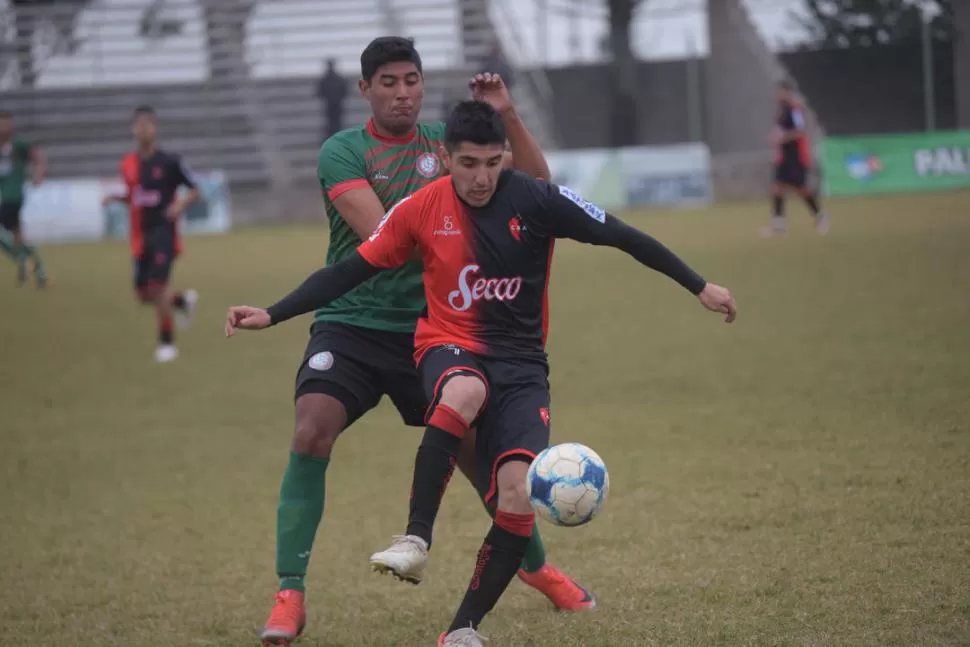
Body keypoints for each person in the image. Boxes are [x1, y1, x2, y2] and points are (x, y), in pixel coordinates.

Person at [225, 100, 738, 646]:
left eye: (492, 163)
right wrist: (274, 312)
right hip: (449, 345)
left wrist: (699, 285)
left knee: (517, 494)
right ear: (446, 157)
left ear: (505, 158)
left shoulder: (537, 199)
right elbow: (349, 270)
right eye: (468, 163)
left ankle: (462, 629)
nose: (481, 177)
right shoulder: (421, 207)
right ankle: (416, 540)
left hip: (521, 365)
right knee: (462, 393)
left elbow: (623, 235)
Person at [249, 35, 590, 647]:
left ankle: (538, 571)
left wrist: (503, 119)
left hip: (437, 331)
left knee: (485, 463)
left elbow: (538, 188)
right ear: (365, 91)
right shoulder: (342, 151)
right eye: (388, 83)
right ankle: (289, 596)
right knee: (311, 428)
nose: (402, 93)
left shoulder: (451, 143)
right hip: (353, 322)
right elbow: (384, 233)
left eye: (411, 80)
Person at [103, 106, 200, 364]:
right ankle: (181, 301)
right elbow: (136, 198)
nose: (144, 129)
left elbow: (194, 189)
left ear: (155, 128)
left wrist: (179, 205)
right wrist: (116, 197)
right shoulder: (129, 164)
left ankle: (167, 343)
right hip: (140, 235)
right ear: (133, 129)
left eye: (148, 124)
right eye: (139, 124)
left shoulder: (170, 162)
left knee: (157, 287)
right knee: (144, 294)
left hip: (164, 233)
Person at [765, 80, 829, 237]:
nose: (778, 95)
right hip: (784, 157)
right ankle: (779, 225)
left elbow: (800, 131)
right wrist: (775, 137)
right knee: (777, 188)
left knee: (801, 189)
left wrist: (783, 137)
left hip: (796, 156)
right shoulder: (782, 111)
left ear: (788, 92)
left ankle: (820, 216)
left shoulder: (795, 109)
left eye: (781, 91)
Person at [0, 111, 48, 288]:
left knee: (11, 237)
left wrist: (39, 173)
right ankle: (38, 269)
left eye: (6, 123)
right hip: (3, 196)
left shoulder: (17, 145)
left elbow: (38, 156)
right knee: (18, 236)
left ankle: (20, 257)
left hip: (12, 197)